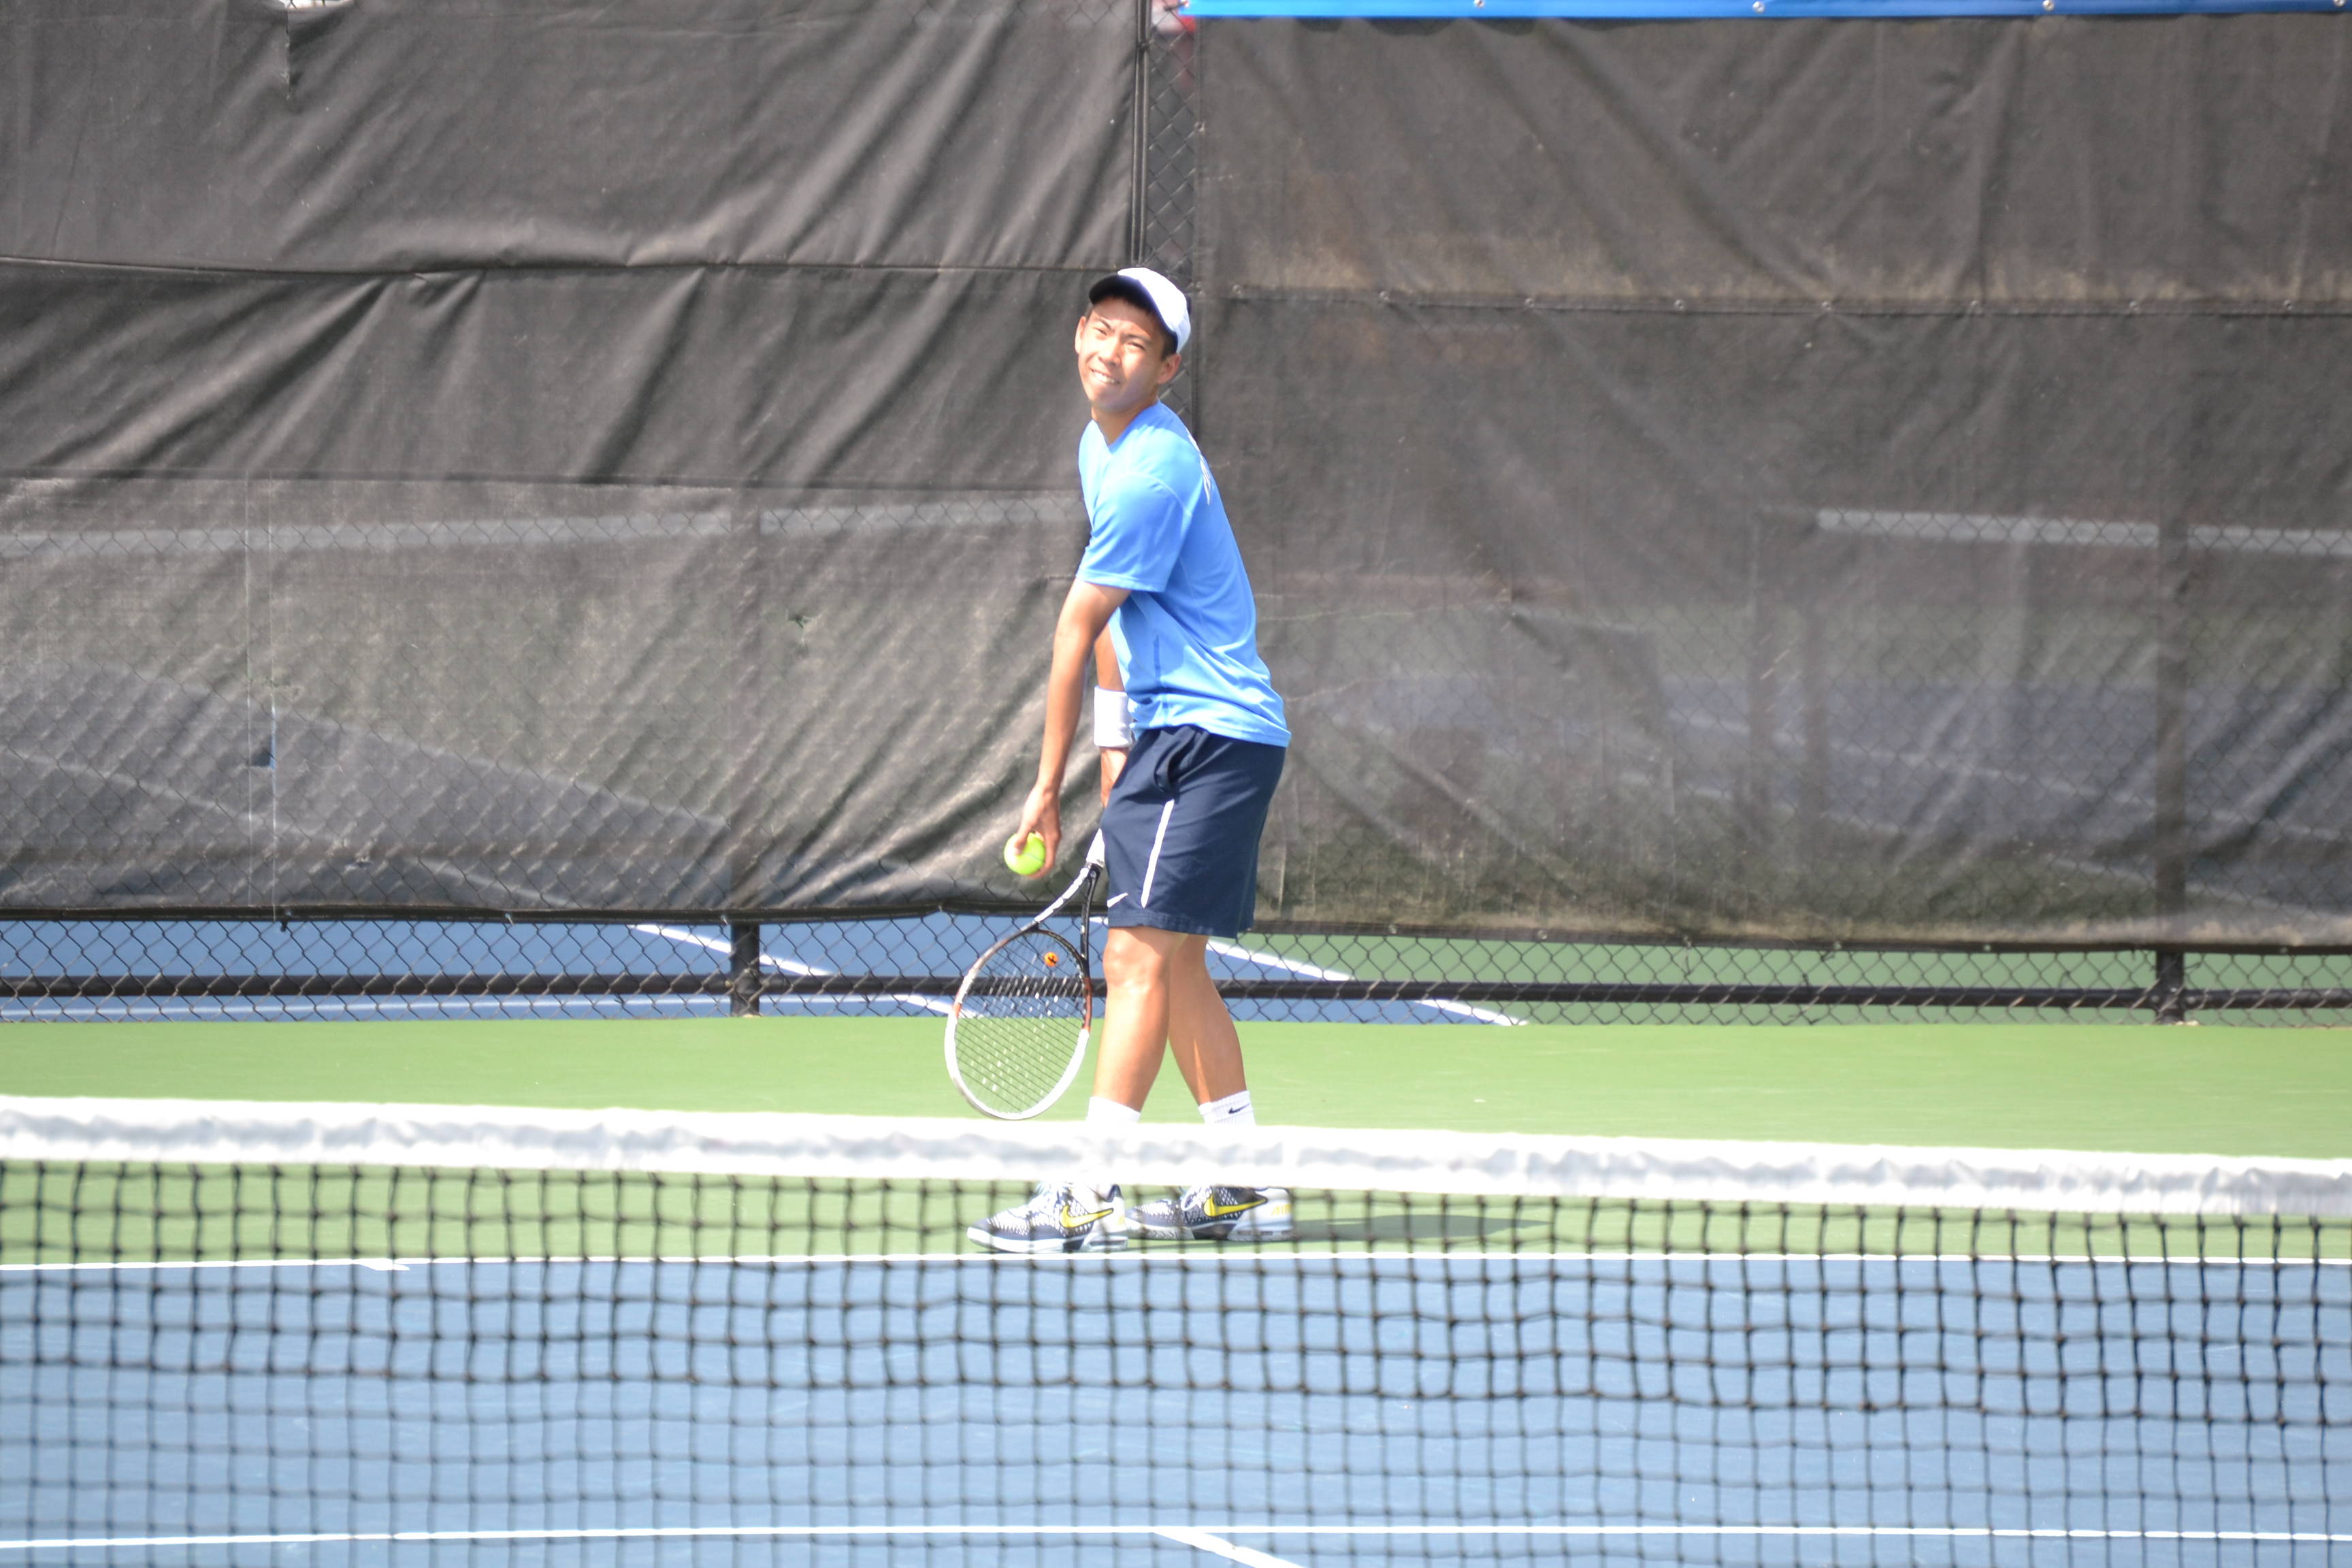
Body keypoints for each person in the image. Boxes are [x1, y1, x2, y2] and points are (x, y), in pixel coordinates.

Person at [968, 267, 1292, 1254]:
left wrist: (1043, 791)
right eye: (1101, 330)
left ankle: (1089, 1193)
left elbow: (1076, 630)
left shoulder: (1152, 469)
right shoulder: (1098, 448)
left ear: (1166, 370)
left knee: (1136, 957)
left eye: (1136, 343)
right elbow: (1120, 628)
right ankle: (1241, 1181)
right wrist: (1117, 752)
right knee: (1179, 962)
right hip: (1174, 734)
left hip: (1213, 735)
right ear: (1079, 338)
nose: (1111, 351)